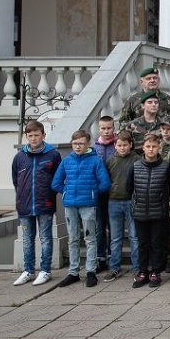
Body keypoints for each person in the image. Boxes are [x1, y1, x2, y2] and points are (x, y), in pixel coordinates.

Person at [52, 130, 111, 288]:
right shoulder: (66, 161)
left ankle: (91, 271)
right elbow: (55, 182)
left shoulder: (95, 161)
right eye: (75, 143)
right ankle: (73, 272)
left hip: (88, 205)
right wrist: (66, 192)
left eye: (81, 143)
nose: (78, 146)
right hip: (70, 205)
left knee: (90, 239)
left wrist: (92, 193)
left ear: (88, 144)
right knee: (73, 239)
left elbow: (105, 183)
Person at [12, 120, 61, 286]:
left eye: (36, 135)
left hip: (44, 204)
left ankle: (45, 270)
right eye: (30, 135)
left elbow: (58, 178)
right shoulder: (19, 157)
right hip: (24, 205)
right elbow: (15, 180)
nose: (33, 138)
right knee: (27, 239)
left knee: (46, 238)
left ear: (43, 135)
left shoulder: (53, 155)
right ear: (26, 136)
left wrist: (49, 195)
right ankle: (28, 270)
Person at [129, 134, 170, 288]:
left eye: (154, 146)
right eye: (148, 146)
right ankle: (142, 272)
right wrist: (134, 205)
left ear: (159, 148)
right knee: (142, 243)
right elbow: (130, 188)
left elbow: (169, 189)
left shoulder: (166, 167)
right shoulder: (135, 166)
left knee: (156, 243)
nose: (151, 149)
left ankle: (155, 271)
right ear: (143, 148)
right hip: (140, 212)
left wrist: (166, 208)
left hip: (158, 212)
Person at [104, 131, 141, 282]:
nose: (122, 148)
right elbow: (106, 179)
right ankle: (114, 267)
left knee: (134, 236)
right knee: (115, 237)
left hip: (131, 201)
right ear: (114, 146)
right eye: (119, 145)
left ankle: (136, 267)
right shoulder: (110, 160)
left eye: (125, 145)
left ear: (131, 145)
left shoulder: (137, 160)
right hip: (114, 201)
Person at [93, 115, 116, 272]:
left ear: (113, 128)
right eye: (103, 128)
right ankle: (101, 257)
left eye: (109, 128)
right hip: (99, 193)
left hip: (115, 192)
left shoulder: (118, 145)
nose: (106, 131)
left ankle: (114, 257)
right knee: (99, 227)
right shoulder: (94, 148)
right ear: (99, 129)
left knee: (114, 227)